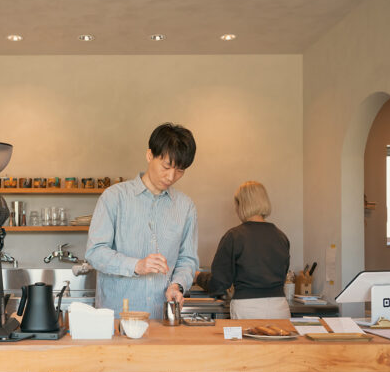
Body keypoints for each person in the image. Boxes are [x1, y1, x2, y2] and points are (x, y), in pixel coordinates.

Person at [85, 123, 199, 318]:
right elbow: (95, 252)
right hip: (117, 318)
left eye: (180, 170)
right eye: (166, 166)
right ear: (149, 156)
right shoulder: (114, 197)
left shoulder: (185, 207)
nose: (171, 176)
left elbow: (187, 259)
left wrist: (177, 285)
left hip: (161, 318)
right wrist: (136, 266)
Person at [195, 181, 290, 319]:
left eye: (236, 204)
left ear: (242, 204)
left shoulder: (234, 236)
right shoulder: (281, 237)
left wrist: (197, 276)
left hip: (247, 308)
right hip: (280, 307)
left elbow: (219, 283)